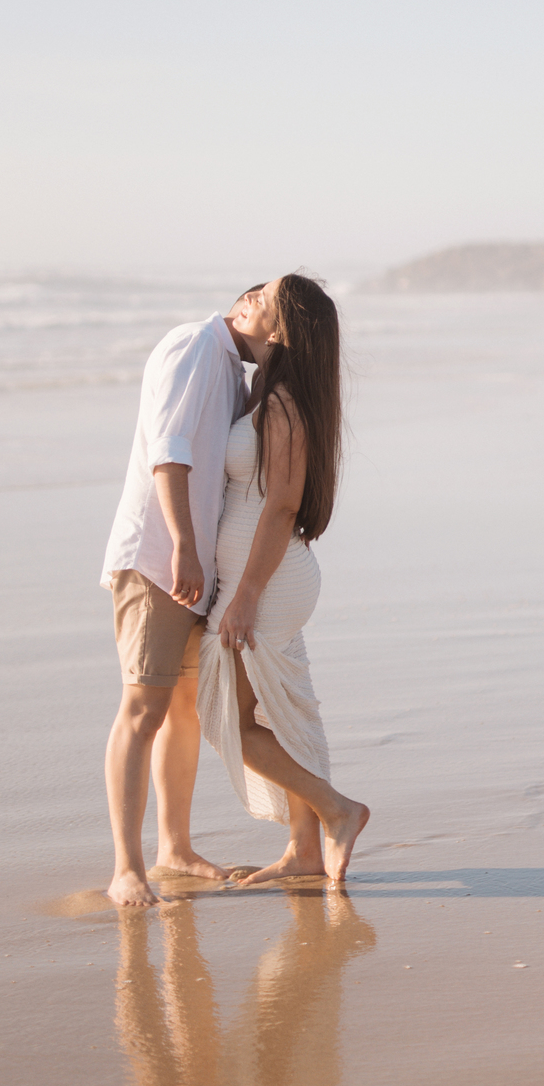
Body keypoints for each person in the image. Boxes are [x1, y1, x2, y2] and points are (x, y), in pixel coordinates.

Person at [196, 276, 369, 882]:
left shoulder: (282, 404)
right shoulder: (266, 392)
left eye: (262, 298)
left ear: (282, 328)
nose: (248, 298)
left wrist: (244, 595)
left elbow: (281, 507)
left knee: (231, 721)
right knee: (280, 717)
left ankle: (338, 811)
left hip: (266, 584)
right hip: (266, 579)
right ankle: (303, 852)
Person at [100, 289, 261, 908]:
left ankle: (175, 849)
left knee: (182, 708)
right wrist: (185, 547)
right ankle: (126, 868)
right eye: (279, 319)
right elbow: (168, 450)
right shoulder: (194, 343)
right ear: (246, 305)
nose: (284, 337)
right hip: (159, 559)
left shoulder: (232, 370)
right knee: (142, 708)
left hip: (192, 565)